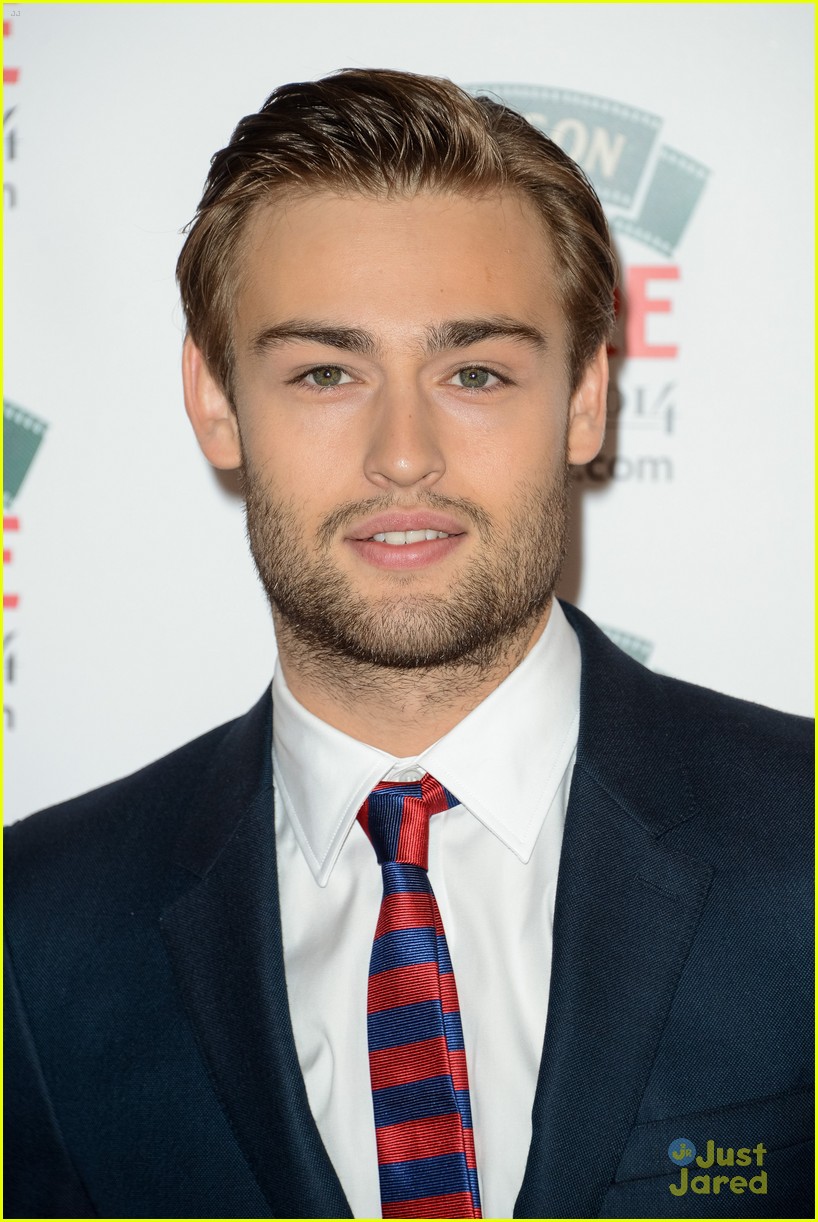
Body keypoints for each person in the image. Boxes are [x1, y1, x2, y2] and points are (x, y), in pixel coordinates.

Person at [5, 68, 812, 1221]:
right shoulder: (35, 934)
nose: (401, 453)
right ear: (216, 400)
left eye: (473, 372)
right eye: (325, 372)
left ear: (585, 399)